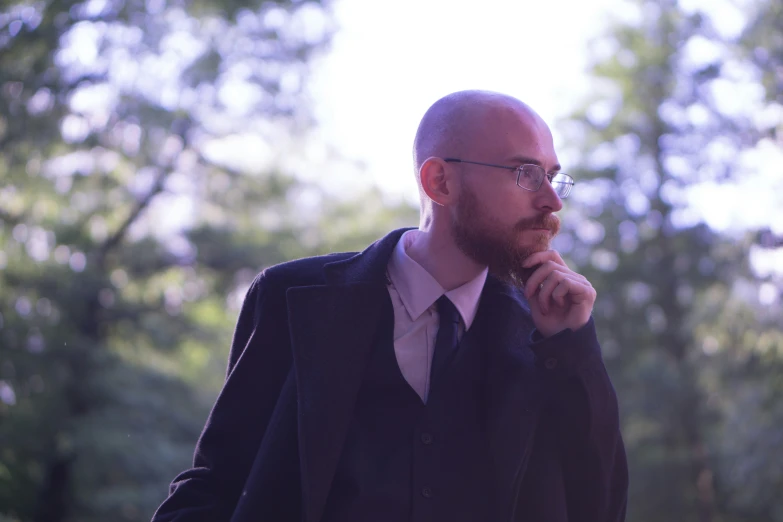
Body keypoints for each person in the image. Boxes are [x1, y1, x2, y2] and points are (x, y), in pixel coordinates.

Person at [151, 90, 628, 522]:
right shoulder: (289, 299)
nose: (552, 201)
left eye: (553, 177)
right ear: (440, 182)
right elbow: (216, 486)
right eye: (526, 174)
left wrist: (572, 349)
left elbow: (600, 507)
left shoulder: (546, 337)